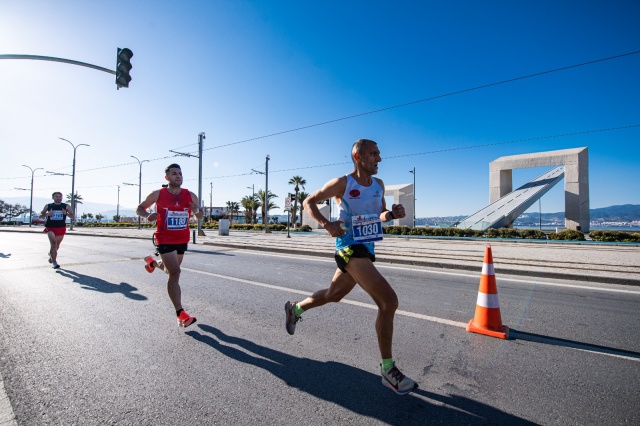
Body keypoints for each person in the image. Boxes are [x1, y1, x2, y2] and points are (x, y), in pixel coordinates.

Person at [285, 138, 418, 395]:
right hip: (348, 248)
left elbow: (379, 215)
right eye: (373, 154)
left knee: (332, 295)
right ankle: (388, 370)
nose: (379, 158)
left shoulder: (378, 185)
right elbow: (308, 202)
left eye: (379, 153)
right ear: (358, 157)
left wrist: (391, 215)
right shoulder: (342, 183)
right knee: (388, 301)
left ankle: (295, 309)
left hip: (367, 249)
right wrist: (326, 224)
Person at [136, 163, 204, 328]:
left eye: (180, 173)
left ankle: (152, 262)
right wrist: (147, 215)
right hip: (164, 238)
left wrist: (196, 210)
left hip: (182, 239)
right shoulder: (158, 194)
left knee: (169, 270)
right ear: (166, 177)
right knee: (175, 272)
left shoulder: (190, 195)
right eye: (174, 173)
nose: (178, 176)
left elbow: (201, 215)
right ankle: (180, 314)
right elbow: (139, 208)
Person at [40, 191, 74, 269]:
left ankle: (51, 255)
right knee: (53, 243)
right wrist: (47, 214)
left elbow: (72, 216)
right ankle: (55, 262)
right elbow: (41, 215)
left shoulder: (66, 206)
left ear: (62, 197)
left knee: (57, 245)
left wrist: (66, 213)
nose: (58, 198)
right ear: (53, 198)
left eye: (60, 196)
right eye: (56, 196)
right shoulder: (48, 206)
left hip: (61, 227)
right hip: (50, 227)